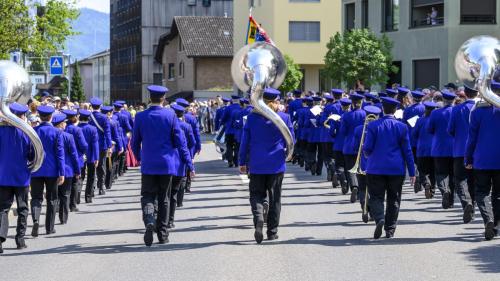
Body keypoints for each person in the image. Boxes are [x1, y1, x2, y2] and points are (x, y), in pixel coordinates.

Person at [132, 85, 194, 246]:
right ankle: (163, 234)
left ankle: (149, 220)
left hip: (149, 163)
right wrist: (189, 163)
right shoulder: (171, 115)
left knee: (147, 195)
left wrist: (139, 157)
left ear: (150, 98)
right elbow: (181, 143)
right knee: (164, 198)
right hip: (167, 164)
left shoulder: (140, 116)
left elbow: (134, 143)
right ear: (164, 98)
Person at [238, 88, 294, 244]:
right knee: (275, 198)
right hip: (276, 163)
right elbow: (291, 141)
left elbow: (245, 142)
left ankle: (258, 219)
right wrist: (288, 155)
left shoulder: (252, 118)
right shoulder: (284, 117)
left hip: (256, 164)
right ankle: (272, 232)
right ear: (276, 101)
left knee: (256, 193)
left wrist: (242, 162)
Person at [363, 97, 416, 239]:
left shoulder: (373, 126)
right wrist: (412, 172)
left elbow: (367, 148)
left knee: (376, 197)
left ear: (382, 109)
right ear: (395, 110)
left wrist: (367, 154)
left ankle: (380, 218)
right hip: (396, 169)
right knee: (394, 199)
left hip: (375, 168)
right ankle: (390, 229)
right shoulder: (402, 127)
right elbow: (408, 151)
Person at [0, 103, 33, 253]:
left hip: (3, 176)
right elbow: (33, 155)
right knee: (23, 208)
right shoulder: (27, 133)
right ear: (22, 116)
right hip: (21, 177)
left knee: (3, 209)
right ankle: (20, 239)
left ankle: (0, 239)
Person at [465, 101, 500, 240]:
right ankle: (496, 225)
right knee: (498, 193)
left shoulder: (478, 112)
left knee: (481, 192)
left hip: (482, 158)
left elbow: (471, 138)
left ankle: (488, 219)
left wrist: (468, 157)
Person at [31, 105, 65, 236]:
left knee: (36, 197)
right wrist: (61, 172)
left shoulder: (33, 130)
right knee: (52, 199)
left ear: (39, 116)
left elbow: (29, 151)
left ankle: (35, 219)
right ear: (51, 117)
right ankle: (49, 227)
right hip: (52, 170)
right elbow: (60, 154)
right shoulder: (57, 132)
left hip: (36, 169)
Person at [448, 86, 477, 223]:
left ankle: (467, 203)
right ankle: (472, 207)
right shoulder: (480, 108)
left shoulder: (456, 109)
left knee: (459, 179)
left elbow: (451, 130)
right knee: (474, 180)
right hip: (477, 150)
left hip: (460, 149)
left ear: (465, 93)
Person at [352, 105, 382, 223]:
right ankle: (374, 213)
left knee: (362, 188)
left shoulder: (359, 129)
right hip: (377, 164)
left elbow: (355, 148)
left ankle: (364, 206)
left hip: (362, 164)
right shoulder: (380, 128)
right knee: (376, 190)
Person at [428, 90, 456, 209]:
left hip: (439, 148)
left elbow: (429, 129)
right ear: (453, 100)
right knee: (453, 175)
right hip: (454, 148)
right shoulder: (456, 111)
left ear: (443, 100)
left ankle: (444, 190)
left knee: (440, 173)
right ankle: (451, 200)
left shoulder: (435, 113)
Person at [169, 104, 196, 228]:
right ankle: (171, 218)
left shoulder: (168, 124)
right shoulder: (186, 126)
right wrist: (191, 163)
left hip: (169, 161)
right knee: (178, 186)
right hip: (181, 160)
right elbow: (191, 143)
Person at [52, 113, 80, 225]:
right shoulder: (68, 136)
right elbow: (74, 155)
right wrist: (77, 170)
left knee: (53, 195)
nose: (65, 125)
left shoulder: (52, 134)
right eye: (64, 123)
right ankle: (63, 218)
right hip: (67, 169)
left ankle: (52, 219)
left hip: (53, 170)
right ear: (61, 124)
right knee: (65, 195)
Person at [341, 93, 366, 203]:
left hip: (348, 145)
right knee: (361, 168)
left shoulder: (346, 115)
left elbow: (343, 132)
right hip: (362, 144)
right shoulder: (366, 114)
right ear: (361, 103)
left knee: (351, 169)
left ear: (352, 103)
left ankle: (354, 186)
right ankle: (360, 189)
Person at [63, 109, 88, 211]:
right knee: (74, 182)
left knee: (63, 185)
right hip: (76, 158)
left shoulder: (62, 128)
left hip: (63, 159)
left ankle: (63, 205)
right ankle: (72, 205)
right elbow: (83, 145)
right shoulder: (77, 130)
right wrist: (83, 152)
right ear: (74, 118)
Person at [412, 101, 438, 199]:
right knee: (433, 171)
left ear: (425, 110)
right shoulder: (435, 121)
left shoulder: (420, 120)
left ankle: (426, 183)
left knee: (422, 170)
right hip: (434, 149)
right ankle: (432, 190)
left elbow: (414, 134)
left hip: (422, 149)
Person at [403, 90, 426, 192]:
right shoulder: (425, 108)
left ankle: (416, 175)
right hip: (422, 139)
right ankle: (420, 180)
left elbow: (404, 124)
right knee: (421, 161)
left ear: (413, 98)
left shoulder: (407, 110)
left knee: (412, 161)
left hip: (411, 138)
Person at [89, 97, 112, 196]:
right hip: (102, 145)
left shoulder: (88, 116)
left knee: (91, 166)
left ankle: (91, 188)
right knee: (101, 166)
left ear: (91, 106)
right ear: (100, 106)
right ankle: (101, 187)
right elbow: (107, 133)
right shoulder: (104, 117)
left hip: (90, 145)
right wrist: (109, 146)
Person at [330, 98, 351, 192]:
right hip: (349, 144)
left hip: (338, 143)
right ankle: (348, 183)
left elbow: (331, 131)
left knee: (339, 165)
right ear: (349, 106)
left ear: (342, 106)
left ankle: (343, 180)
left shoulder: (336, 117)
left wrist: (334, 135)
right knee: (348, 166)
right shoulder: (350, 116)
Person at [78, 110, 100, 203]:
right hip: (90, 155)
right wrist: (96, 157)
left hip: (79, 155)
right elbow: (95, 144)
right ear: (88, 119)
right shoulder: (93, 129)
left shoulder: (76, 127)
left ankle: (77, 197)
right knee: (91, 176)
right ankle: (88, 196)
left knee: (80, 176)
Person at [101, 106, 123, 190]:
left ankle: (101, 183)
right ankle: (108, 183)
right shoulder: (113, 123)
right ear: (110, 113)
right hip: (112, 146)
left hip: (102, 146)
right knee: (110, 165)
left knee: (102, 165)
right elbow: (117, 136)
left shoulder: (98, 121)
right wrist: (120, 147)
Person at [220, 96, 241, 167]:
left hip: (229, 130)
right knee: (237, 146)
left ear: (232, 100)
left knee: (229, 146)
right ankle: (236, 161)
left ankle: (230, 161)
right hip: (237, 130)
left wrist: (221, 124)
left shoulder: (228, 108)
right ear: (238, 101)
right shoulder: (240, 108)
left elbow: (223, 118)